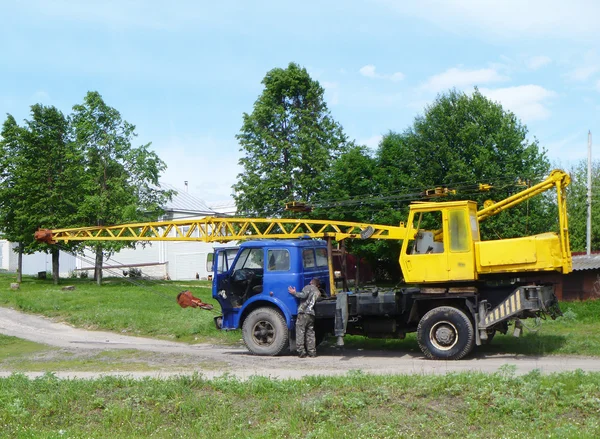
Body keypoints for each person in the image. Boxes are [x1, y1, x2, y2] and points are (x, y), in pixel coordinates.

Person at [288, 278, 321, 358]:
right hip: (311, 314)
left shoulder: (308, 287)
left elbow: (303, 295)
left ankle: (301, 351)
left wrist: (294, 293)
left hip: (303, 312)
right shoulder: (318, 292)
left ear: (311, 282)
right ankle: (312, 352)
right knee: (310, 333)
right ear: (318, 285)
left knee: (300, 331)